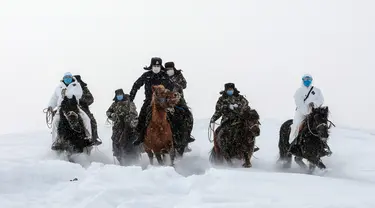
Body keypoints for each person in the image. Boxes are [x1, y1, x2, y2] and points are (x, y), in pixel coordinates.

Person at [129, 57, 174, 145]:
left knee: (173, 115)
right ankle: (141, 136)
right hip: (149, 101)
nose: (156, 67)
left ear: (161, 66)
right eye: (154, 65)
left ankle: (175, 137)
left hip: (163, 102)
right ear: (151, 66)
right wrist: (131, 97)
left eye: (158, 65)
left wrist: (168, 97)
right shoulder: (146, 75)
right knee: (142, 115)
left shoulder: (165, 76)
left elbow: (171, 87)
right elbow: (136, 85)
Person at [47, 72, 93, 150]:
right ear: (63, 79)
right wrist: (50, 106)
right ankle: (55, 141)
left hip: (74, 106)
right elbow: (54, 98)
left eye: (69, 77)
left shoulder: (76, 85)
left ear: (71, 78)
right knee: (55, 121)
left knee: (86, 119)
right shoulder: (59, 87)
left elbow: (79, 94)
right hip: (61, 107)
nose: (67, 79)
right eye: (66, 77)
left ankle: (88, 137)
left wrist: (67, 94)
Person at [164, 62, 194, 151]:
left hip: (179, 101)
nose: (169, 70)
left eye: (170, 69)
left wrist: (176, 83)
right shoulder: (163, 76)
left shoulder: (179, 75)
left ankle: (187, 136)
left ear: (173, 68)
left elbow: (184, 85)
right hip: (166, 101)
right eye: (167, 69)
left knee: (188, 115)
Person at [289, 74, 324, 143]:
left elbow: (321, 100)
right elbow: (299, 103)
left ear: (311, 80)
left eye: (309, 79)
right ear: (303, 80)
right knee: (296, 125)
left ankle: (323, 142)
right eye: (305, 79)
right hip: (301, 112)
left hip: (314, 112)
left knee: (322, 124)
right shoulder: (299, 91)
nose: (307, 80)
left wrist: (314, 104)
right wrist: (307, 112)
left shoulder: (317, 91)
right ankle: (292, 142)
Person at [106, 89, 139, 156]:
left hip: (129, 123)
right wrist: (112, 115)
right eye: (118, 95)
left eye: (120, 95)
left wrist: (129, 117)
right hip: (118, 124)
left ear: (123, 95)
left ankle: (136, 150)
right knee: (115, 137)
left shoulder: (129, 102)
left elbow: (134, 112)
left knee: (134, 135)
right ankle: (116, 152)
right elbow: (108, 112)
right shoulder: (114, 104)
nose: (119, 96)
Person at [73, 75, 102, 146]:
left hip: (83, 108)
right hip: (70, 107)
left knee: (92, 120)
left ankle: (94, 138)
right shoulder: (69, 88)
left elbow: (91, 99)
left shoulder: (84, 89)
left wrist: (81, 99)